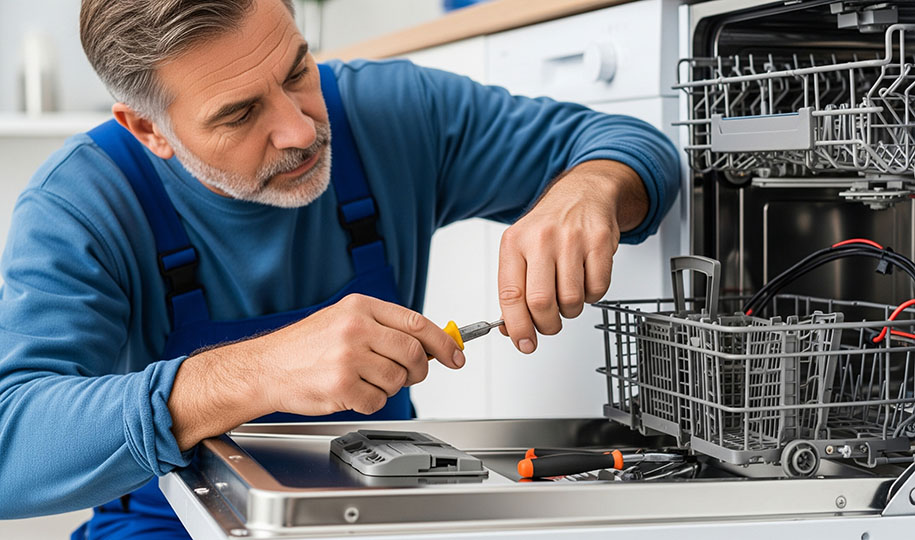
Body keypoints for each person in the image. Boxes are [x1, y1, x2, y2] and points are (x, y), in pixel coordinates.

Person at [0, 0, 679, 538]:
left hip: (392, 508)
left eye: (297, 71)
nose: (297, 129)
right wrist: (259, 370)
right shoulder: (81, 204)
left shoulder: (390, 113)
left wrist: (588, 188)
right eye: (239, 114)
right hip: (173, 527)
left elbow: (629, 144)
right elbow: (12, 444)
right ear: (148, 130)